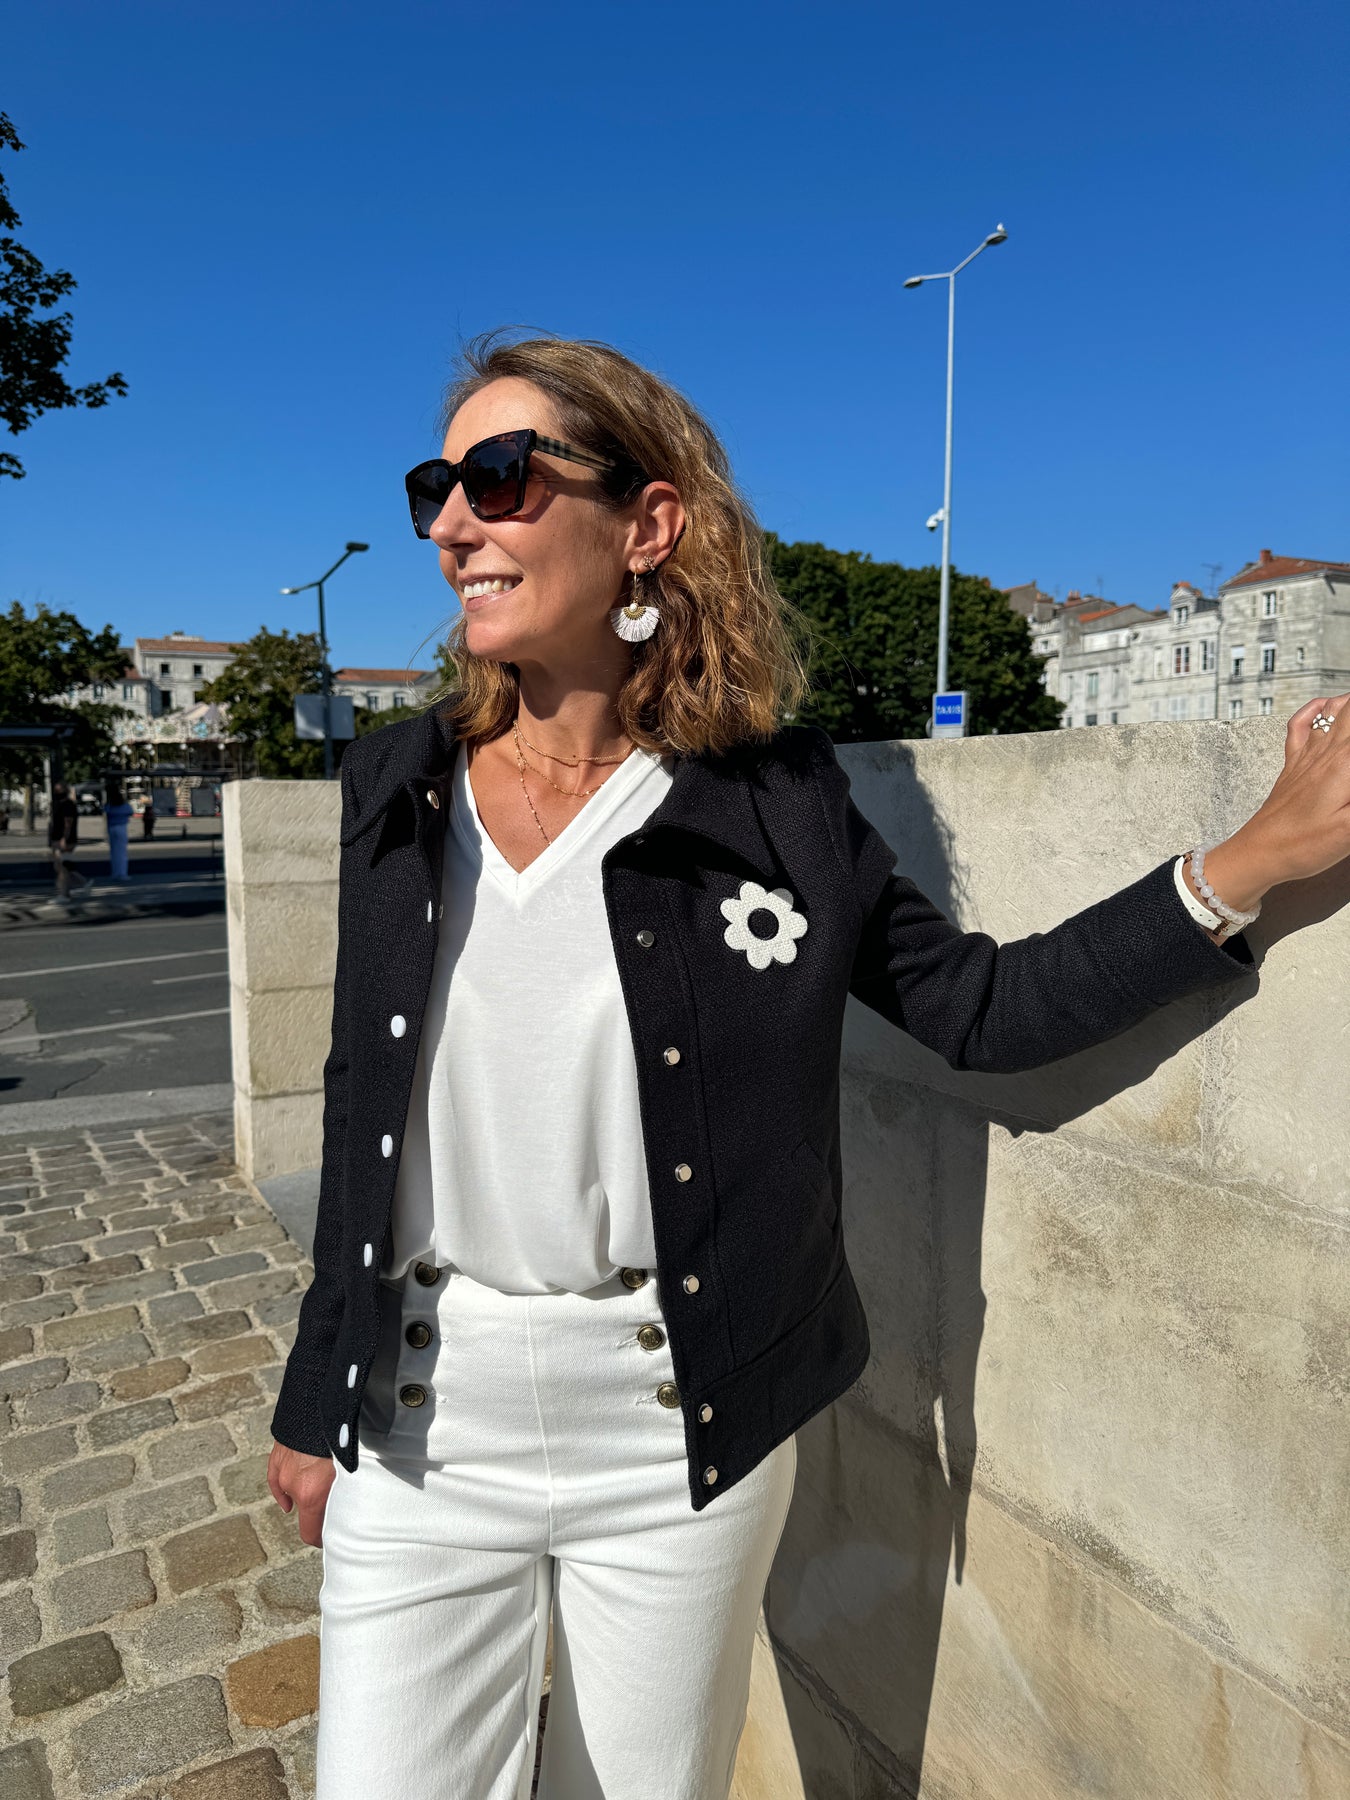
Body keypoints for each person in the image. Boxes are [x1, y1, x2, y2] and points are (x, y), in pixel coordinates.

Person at [266, 334, 1350, 1800]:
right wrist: (314, 1387)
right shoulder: (394, 787)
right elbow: (360, 1099)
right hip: (416, 1418)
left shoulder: (775, 805)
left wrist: (1248, 863)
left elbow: (980, 1009)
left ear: (648, 525)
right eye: (435, 487)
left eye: (502, 476)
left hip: (673, 1431)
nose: (453, 522)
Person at [48, 780, 88, 898]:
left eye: (59, 790)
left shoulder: (68, 805)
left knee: (62, 867)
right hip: (58, 838)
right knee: (62, 865)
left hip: (65, 839)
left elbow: (68, 823)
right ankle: (81, 883)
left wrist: (64, 838)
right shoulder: (59, 804)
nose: (57, 793)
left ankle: (64, 893)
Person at [105, 780, 134, 881]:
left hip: (111, 827)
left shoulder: (109, 805)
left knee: (114, 852)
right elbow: (130, 812)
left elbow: (105, 811)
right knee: (122, 852)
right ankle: (122, 873)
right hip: (121, 826)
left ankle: (115, 872)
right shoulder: (124, 805)